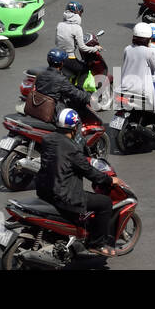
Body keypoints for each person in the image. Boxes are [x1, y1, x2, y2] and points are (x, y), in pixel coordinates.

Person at [34, 108, 117, 256]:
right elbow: (89, 172)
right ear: (74, 127)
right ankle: (97, 243)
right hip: (64, 195)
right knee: (104, 203)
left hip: (44, 190)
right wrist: (109, 179)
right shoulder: (72, 148)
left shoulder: (47, 139)